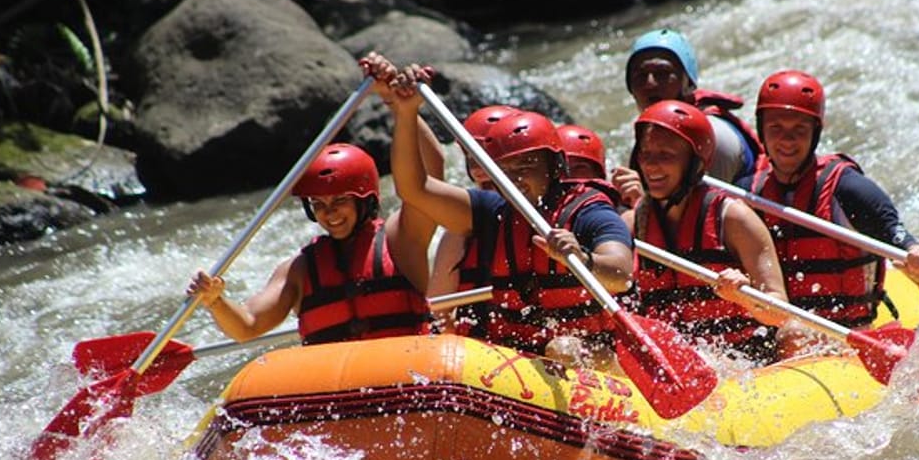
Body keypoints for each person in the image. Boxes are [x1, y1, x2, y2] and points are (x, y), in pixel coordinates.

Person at [361, 52, 636, 368]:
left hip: (590, 357)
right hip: (515, 361)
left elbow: (622, 276)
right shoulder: (491, 212)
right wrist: (406, 112)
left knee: (562, 348)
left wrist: (583, 258)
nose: (515, 178)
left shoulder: (589, 211)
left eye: (527, 165)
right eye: (506, 169)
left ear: (555, 167)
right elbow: (415, 189)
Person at [744, 69, 919, 332]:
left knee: (793, 333)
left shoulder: (848, 189)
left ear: (815, 133)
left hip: (849, 334)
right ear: (761, 130)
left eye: (799, 129)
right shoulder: (747, 194)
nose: (787, 140)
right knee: (790, 332)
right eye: (776, 128)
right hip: (778, 332)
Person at [186, 140, 439, 345]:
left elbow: (432, 176)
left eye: (340, 200)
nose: (329, 213)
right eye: (319, 204)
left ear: (365, 200)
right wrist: (215, 301)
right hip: (340, 384)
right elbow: (247, 326)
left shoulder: (401, 240)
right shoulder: (299, 269)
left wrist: (406, 110)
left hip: (408, 373)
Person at [623, 99, 796, 367]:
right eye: (646, 154)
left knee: (795, 332)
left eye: (665, 155)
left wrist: (743, 296)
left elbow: (780, 311)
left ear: (694, 164)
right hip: (676, 365)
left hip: (746, 362)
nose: (651, 166)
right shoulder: (633, 224)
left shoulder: (735, 219)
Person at [611, 28, 763, 206]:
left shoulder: (714, 136)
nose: (650, 83)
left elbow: (699, 214)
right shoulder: (652, 135)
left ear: (689, 82)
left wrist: (639, 205)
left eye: (663, 73)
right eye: (640, 75)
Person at [428, 104, 520, 334]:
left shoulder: (549, 219)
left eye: (487, 158)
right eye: (471, 160)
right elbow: (438, 313)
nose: (478, 170)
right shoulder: (459, 230)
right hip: (479, 346)